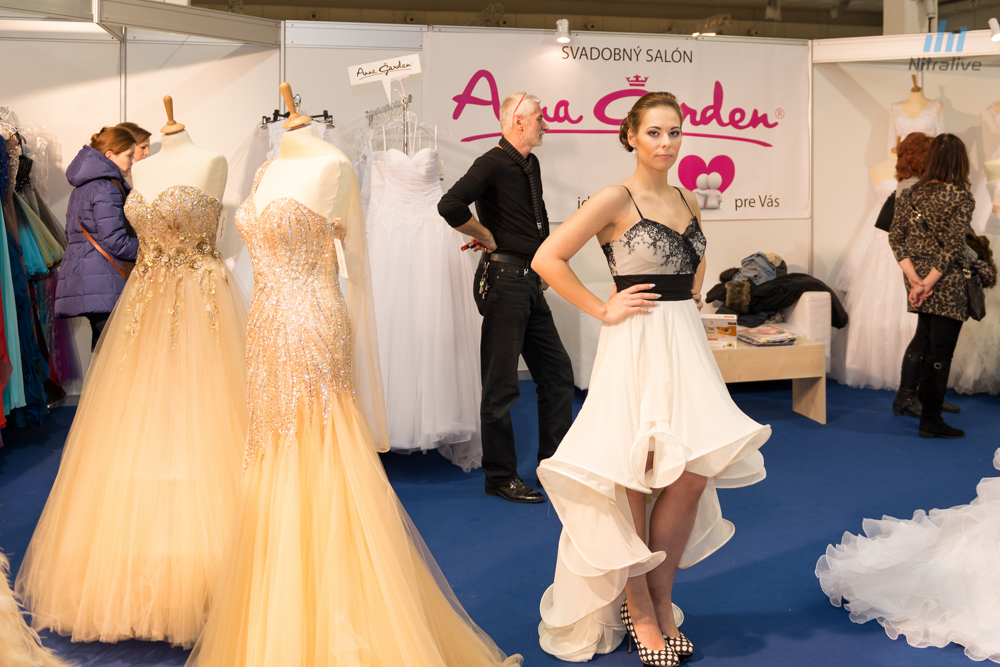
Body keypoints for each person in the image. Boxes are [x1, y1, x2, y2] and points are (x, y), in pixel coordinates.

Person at [532, 92, 770, 665]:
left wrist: (691, 293)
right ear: (631, 137)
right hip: (636, 342)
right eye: (655, 133)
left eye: (675, 132)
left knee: (691, 474)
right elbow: (547, 258)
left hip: (684, 342)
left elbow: (696, 261)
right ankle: (640, 612)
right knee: (635, 475)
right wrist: (602, 307)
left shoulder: (687, 197)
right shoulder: (614, 197)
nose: (667, 143)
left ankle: (662, 602)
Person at [16, 134, 248, 648]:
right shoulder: (136, 172)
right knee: (141, 416)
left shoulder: (213, 159)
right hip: (145, 301)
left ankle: (211, 566)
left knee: (203, 411)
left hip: (203, 299)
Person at [438, 91, 574, 504]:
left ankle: (554, 467)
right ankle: (499, 476)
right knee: (501, 386)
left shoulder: (530, 163)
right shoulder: (492, 162)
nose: (545, 124)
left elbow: (536, 219)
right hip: (505, 281)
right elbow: (450, 204)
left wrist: (545, 264)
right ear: (519, 121)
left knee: (558, 375)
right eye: (539, 118)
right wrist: (485, 235)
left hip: (529, 279)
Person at [889, 133, 975, 439]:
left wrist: (915, 279)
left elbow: (895, 238)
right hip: (946, 282)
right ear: (959, 161)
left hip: (917, 279)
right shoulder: (960, 196)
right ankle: (931, 420)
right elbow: (953, 247)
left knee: (926, 342)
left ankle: (923, 407)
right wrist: (928, 283)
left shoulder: (910, 193)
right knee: (941, 351)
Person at [54, 126, 138, 349]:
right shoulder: (107, 188)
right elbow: (115, 242)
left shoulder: (82, 187)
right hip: (105, 281)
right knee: (117, 353)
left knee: (103, 351)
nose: (133, 161)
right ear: (110, 155)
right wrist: (150, 247)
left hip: (88, 280)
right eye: (129, 155)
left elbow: (71, 234)